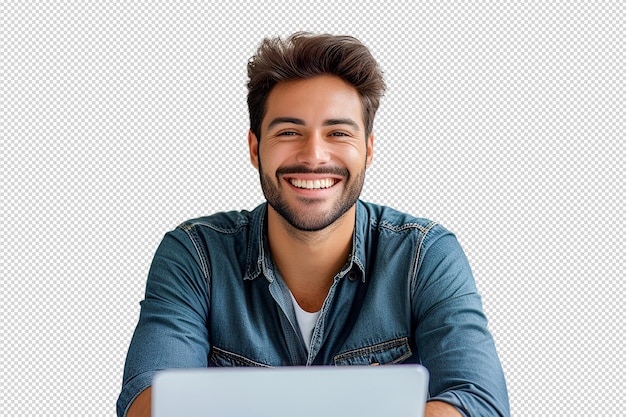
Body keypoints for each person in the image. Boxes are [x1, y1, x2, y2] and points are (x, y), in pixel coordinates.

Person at [117, 32, 510, 417]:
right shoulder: (196, 255)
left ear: (369, 149)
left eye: (338, 132)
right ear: (255, 148)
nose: (314, 155)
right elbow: (148, 403)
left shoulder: (424, 255)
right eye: (289, 132)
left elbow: (479, 401)